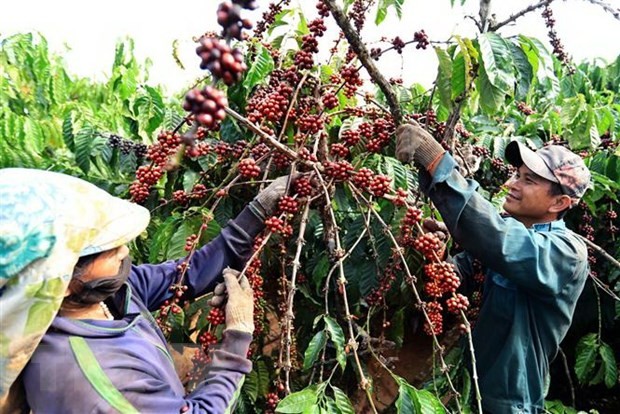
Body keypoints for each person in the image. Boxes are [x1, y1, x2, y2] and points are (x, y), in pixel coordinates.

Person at [0, 167, 289, 413]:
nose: (124, 250)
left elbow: (188, 273)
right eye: (107, 249)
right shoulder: (88, 377)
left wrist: (257, 211)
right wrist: (238, 334)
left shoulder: (105, 294)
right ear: (56, 281)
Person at [395, 124, 591, 413]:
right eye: (516, 175)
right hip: (465, 386)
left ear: (559, 202)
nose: (512, 184)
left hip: (511, 403)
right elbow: (458, 282)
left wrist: (438, 164)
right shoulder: (507, 236)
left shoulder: (566, 253)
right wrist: (436, 257)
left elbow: (499, 241)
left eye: (528, 180)